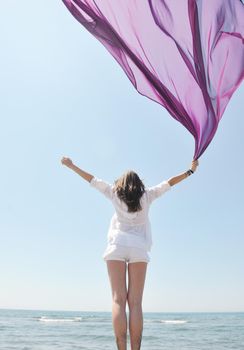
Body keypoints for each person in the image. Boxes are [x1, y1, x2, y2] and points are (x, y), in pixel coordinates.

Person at [61, 157, 199, 350]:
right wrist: (190, 171)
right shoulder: (148, 195)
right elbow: (169, 182)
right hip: (139, 248)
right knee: (135, 303)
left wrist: (71, 165)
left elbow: (92, 180)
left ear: (122, 183)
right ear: (139, 184)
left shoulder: (114, 193)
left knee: (118, 300)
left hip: (117, 246)